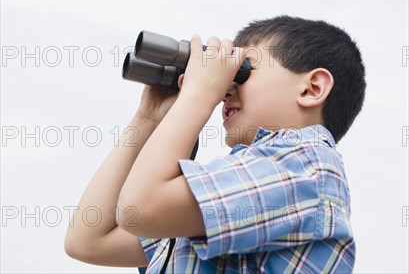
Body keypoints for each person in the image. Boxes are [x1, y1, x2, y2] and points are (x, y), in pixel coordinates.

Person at [64, 15, 366, 273]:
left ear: (312, 88)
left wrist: (198, 94)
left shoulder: (303, 170)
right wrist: (147, 119)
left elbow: (140, 207)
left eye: (242, 72)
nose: (225, 89)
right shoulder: (237, 191)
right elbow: (88, 241)